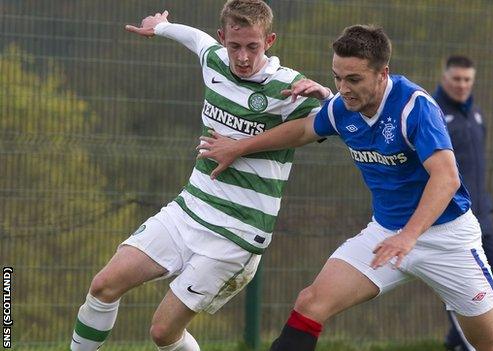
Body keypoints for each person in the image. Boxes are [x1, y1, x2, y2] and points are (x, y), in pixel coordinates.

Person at [198, 25, 493, 351]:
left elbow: (447, 179)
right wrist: (238, 147)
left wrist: (409, 236)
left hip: (447, 238)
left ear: (383, 74)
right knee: (311, 302)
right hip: (385, 234)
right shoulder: (343, 107)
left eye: (354, 79)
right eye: (337, 78)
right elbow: (301, 130)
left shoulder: (415, 108)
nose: (343, 89)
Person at [69, 1, 322, 350]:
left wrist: (324, 93)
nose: (243, 57)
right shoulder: (215, 60)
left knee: (162, 332)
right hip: (189, 210)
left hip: (237, 233)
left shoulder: (288, 86)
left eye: (253, 46)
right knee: (103, 285)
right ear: (224, 39)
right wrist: (161, 27)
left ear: (270, 41)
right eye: (235, 46)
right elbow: (196, 40)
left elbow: (339, 118)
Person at [433, 55, 493, 351]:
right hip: (451, 216)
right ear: (444, 78)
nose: (462, 85)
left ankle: (456, 340)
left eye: (467, 80)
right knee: (460, 282)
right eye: (456, 79)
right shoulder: (434, 112)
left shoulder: (475, 113)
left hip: (480, 213)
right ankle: (467, 343)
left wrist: (485, 203)